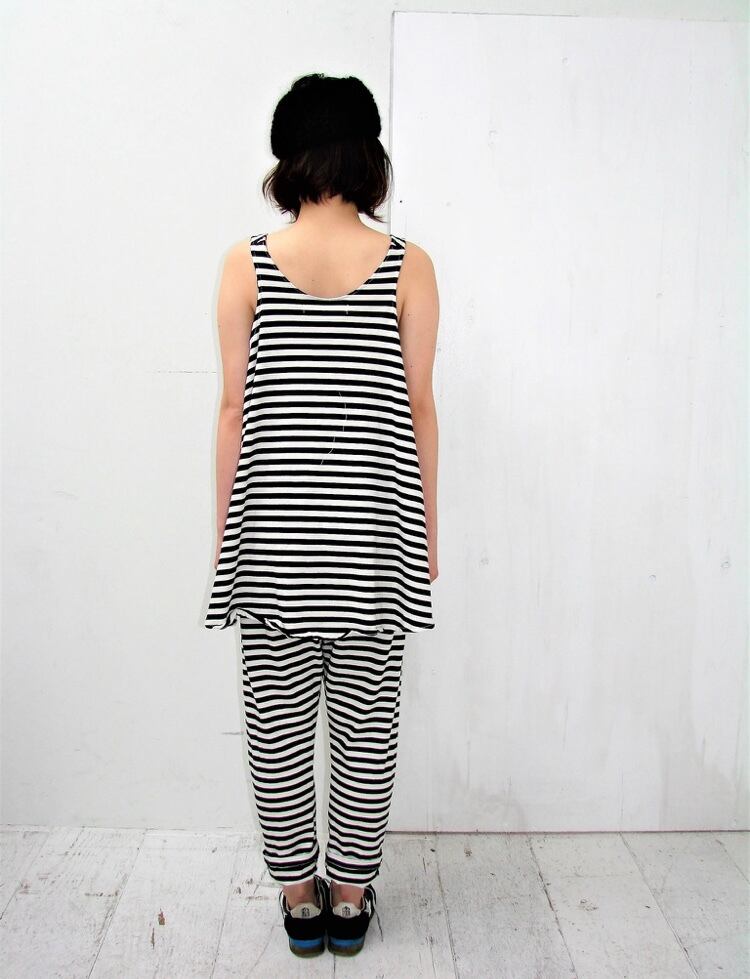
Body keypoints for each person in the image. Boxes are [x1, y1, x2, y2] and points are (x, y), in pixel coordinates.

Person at [203, 72, 439, 957]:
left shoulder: (246, 262)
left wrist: (227, 537)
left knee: (275, 731)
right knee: (368, 730)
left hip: (272, 545)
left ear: (288, 158)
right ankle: (350, 892)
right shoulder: (410, 264)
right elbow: (419, 410)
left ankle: (299, 899)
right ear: (369, 158)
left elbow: (234, 409)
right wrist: (428, 535)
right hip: (376, 544)